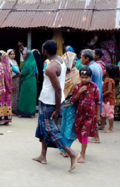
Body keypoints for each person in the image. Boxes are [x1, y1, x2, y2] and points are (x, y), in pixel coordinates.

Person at [33, 40, 80, 171]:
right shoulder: (60, 60)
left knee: (50, 130)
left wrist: (57, 109)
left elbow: (58, 89)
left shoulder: (50, 67)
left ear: (45, 51)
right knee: (43, 128)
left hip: (50, 102)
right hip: (50, 100)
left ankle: (72, 154)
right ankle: (43, 156)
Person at [72, 67, 101, 163]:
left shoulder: (94, 87)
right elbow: (74, 100)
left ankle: (83, 154)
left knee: (85, 133)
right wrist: (79, 92)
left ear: (90, 77)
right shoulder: (77, 86)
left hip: (90, 115)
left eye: (86, 77)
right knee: (78, 132)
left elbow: (97, 102)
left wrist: (98, 115)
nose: (84, 79)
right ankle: (83, 146)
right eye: (82, 77)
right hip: (80, 114)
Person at [59, 51, 80, 157]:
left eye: (76, 60)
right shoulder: (61, 72)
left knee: (70, 125)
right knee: (63, 124)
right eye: (73, 60)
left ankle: (66, 147)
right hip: (62, 102)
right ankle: (62, 146)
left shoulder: (76, 72)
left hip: (73, 102)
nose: (75, 62)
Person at [80, 49, 102, 143]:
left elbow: (88, 84)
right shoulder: (98, 66)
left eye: (81, 57)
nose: (80, 59)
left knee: (91, 116)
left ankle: (96, 137)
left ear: (87, 58)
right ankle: (95, 136)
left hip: (92, 95)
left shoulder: (90, 69)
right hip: (98, 92)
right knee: (93, 116)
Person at [0, 51, 13, 125]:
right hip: (8, 88)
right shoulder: (9, 66)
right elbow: (18, 72)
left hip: (0, 87)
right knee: (7, 103)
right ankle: (6, 120)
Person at [18, 50, 38, 117]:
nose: (23, 56)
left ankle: (23, 112)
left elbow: (23, 73)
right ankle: (31, 112)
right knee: (31, 97)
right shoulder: (34, 62)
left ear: (28, 55)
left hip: (26, 80)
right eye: (23, 54)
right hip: (32, 81)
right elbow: (37, 73)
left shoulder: (26, 63)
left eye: (25, 54)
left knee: (24, 96)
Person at [100, 65, 117, 133]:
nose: (104, 71)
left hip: (108, 100)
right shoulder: (107, 79)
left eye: (105, 70)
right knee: (103, 113)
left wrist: (102, 95)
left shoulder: (110, 80)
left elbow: (109, 91)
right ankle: (102, 125)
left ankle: (111, 128)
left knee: (109, 113)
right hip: (105, 99)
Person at [7, 49, 21, 115]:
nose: (13, 55)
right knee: (11, 94)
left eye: (13, 54)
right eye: (11, 54)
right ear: (8, 55)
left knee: (16, 94)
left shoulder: (14, 61)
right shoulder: (8, 61)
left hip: (17, 79)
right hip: (12, 79)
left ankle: (14, 108)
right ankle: (10, 109)